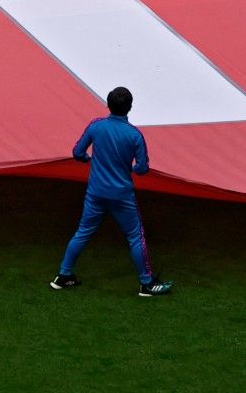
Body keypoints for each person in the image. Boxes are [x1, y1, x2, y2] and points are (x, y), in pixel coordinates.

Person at [52, 86, 174, 296]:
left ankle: (63, 275)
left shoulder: (96, 126)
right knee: (136, 236)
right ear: (130, 107)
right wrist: (132, 169)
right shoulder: (135, 135)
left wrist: (90, 160)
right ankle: (146, 283)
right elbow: (143, 168)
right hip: (121, 195)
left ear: (108, 105)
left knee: (82, 232)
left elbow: (77, 152)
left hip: (96, 192)